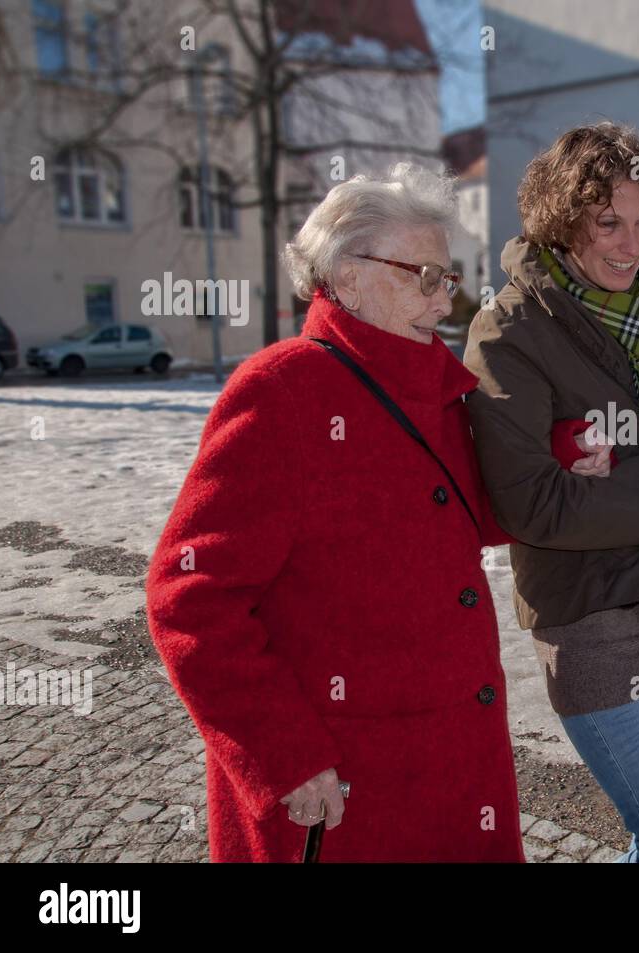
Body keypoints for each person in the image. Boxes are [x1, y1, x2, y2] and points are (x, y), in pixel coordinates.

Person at [145, 163, 524, 862]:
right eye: (426, 276)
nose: (445, 302)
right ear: (348, 273)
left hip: (455, 762)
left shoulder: (426, 384)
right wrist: (281, 753)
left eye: (449, 278)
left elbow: (470, 511)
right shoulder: (283, 391)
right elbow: (188, 596)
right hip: (349, 786)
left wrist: (562, 455)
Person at [464, 121, 639, 862]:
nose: (630, 243)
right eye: (608, 221)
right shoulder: (509, 331)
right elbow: (534, 505)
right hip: (591, 613)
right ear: (563, 219)